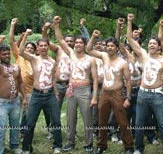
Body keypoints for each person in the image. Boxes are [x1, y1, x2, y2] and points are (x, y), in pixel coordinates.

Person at [126, 14, 163, 154]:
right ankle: (139, 148)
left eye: (154, 43)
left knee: (162, 123)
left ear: (159, 47)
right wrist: (130, 22)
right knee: (138, 123)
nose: (152, 45)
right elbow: (130, 38)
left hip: (157, 95)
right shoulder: (143, 55)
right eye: (150, 43)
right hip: (142, 93)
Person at [52, 16, 98, 152]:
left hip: (85, 90)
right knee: (70, 118)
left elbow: (95, 79)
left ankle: (89, 143)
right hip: (71, 90)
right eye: (76, 43)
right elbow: (60, 40)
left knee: (87, 119)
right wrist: (56, 25)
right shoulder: (71, 54)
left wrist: (94, 96)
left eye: (80, 43)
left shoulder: (91, 59)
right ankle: (70, 142)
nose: (77, 44)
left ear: (84, 45)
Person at [86, 29, 134, 154]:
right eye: (108, 46)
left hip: (117, 93)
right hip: (104, 93)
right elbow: (89, 50)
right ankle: (101, 145)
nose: (110, 48)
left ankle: (129, 147)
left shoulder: (123, 63)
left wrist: (128, 98)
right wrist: (93, 36)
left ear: (117, 48)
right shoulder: (104, 56)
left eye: (112, 46)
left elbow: (128, 81)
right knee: (102, 120)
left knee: (122, 122)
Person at [19, 29, 62, 154]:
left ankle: (57, 146)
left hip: (50, 95)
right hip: (36, 95)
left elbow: (53, 78)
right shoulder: (34, 59)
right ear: (38, 47)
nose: (43, 47)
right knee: (30, 122)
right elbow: (21, 51)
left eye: (45, 45)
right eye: (41, 45)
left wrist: (57, 93)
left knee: (56, 121)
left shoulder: (53, 61)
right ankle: (26, 148)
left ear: (49, 47)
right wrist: (26, 34)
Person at [0, 43, 27, 154]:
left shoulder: (16, 67)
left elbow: (20, 83)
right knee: (2, 128)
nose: (6, 56)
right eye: (3, 54)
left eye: (8, 53)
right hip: (2, 103)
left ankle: (14, 146)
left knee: (15, 126)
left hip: (15, 102)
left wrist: (25, 97)